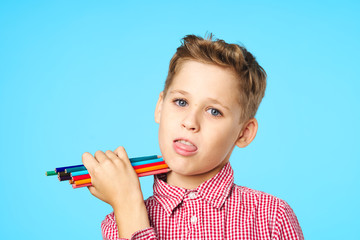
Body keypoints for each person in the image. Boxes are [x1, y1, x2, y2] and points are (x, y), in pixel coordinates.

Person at [82, 34, 304, 240]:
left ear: (244, 133)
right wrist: (128, 206)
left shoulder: (273, 218)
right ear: (160, 107)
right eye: (181, 102)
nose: (190, 122)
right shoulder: (118, 223)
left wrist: (128, 205)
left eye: (214, 111)